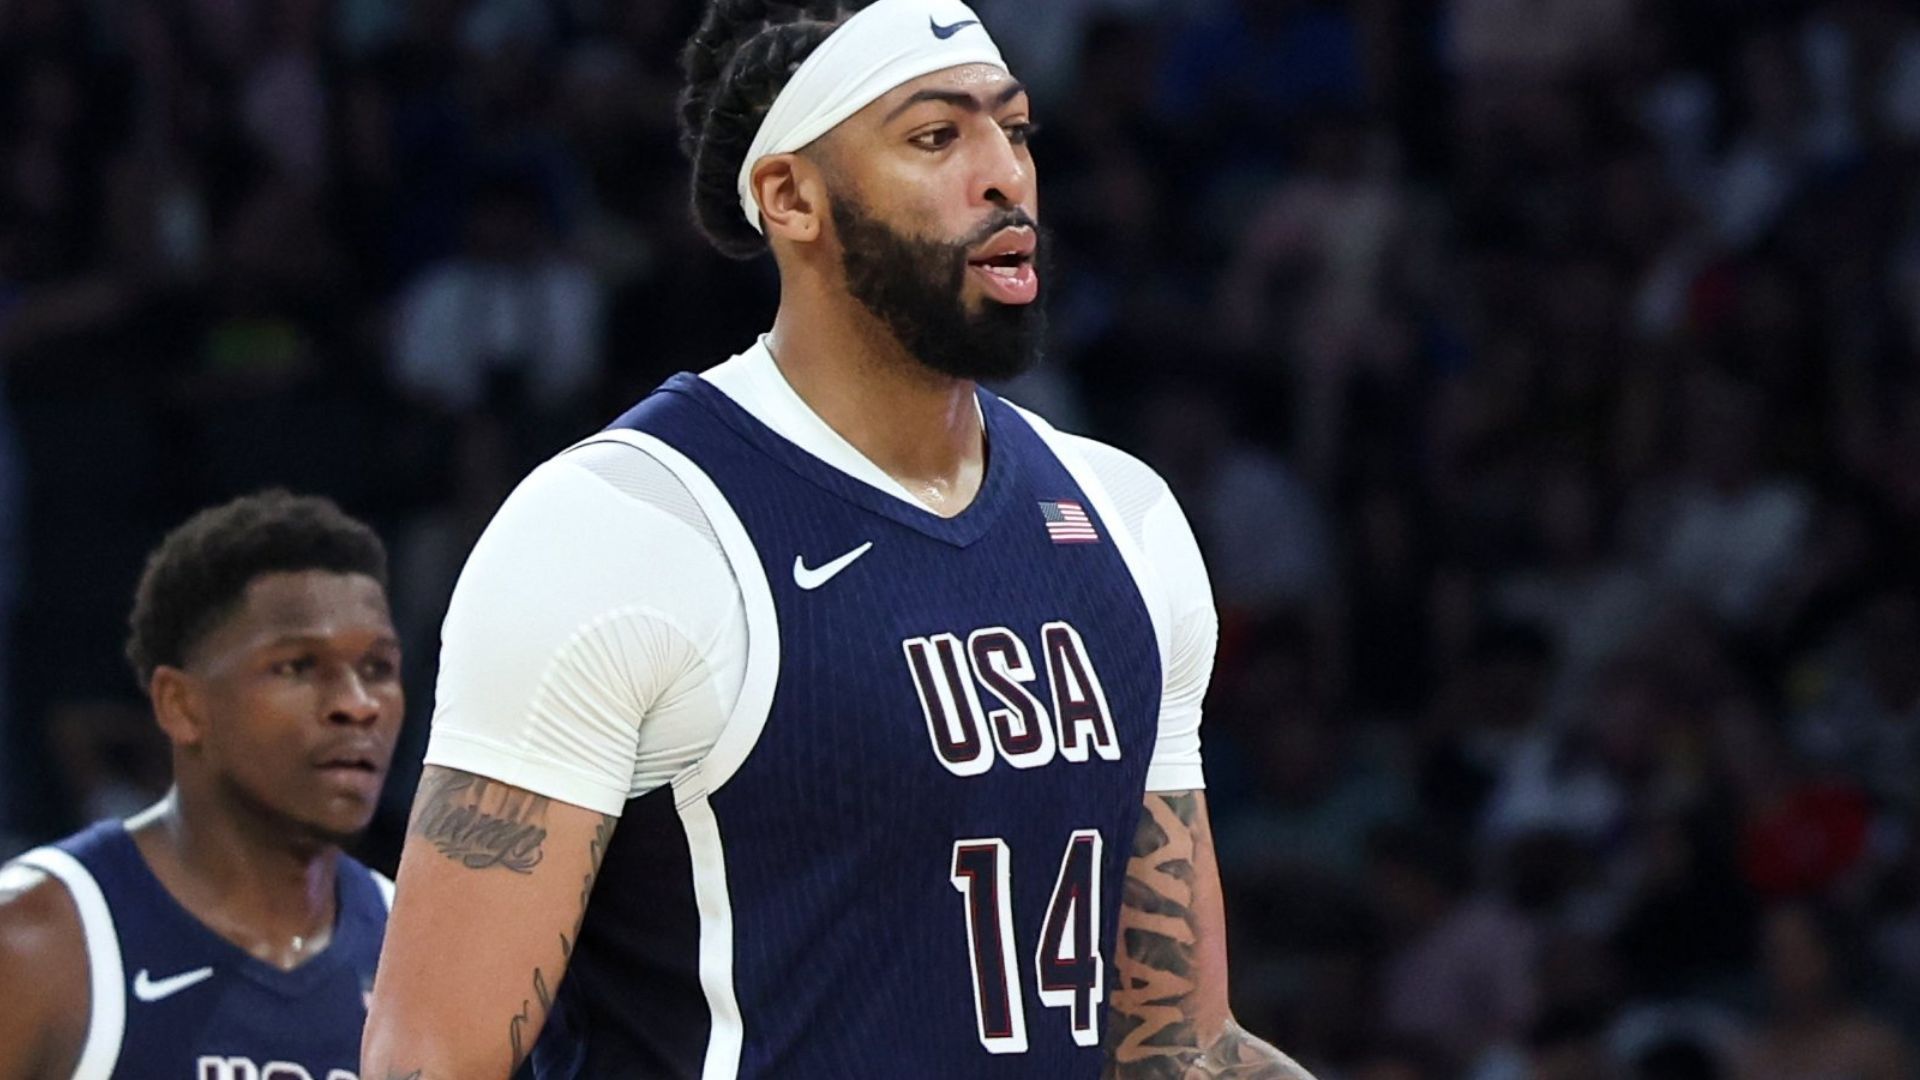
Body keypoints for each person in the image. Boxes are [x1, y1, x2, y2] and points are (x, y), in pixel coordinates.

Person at [364, 1, 1312, 1077]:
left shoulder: (1125, 519)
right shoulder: (622, 530)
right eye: (936, 136)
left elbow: (1181, 1047)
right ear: (791, 197)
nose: (1005, 175)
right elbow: (429, 1059)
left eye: (1014, 129)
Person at [0, 490, 405, 1079]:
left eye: (378, 668)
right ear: (181, 705)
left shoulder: (414, 953)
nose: (358, 704)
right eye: (297, 666)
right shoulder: (33, 939)